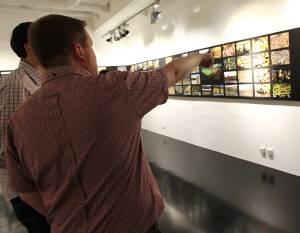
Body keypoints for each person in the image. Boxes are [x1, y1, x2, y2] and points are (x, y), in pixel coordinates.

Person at [4, 14, 213, 233]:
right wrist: (201, 57)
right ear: (79, 51)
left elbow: (27, 194)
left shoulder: (18, 120)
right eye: (91, 46)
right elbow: (175, 71)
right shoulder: (117, 88)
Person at [0, 22, 51, 232]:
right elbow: (6, 147)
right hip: (27, 190)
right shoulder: (17, 84)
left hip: (38, 185)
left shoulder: (36, 81)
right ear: (29, 48)